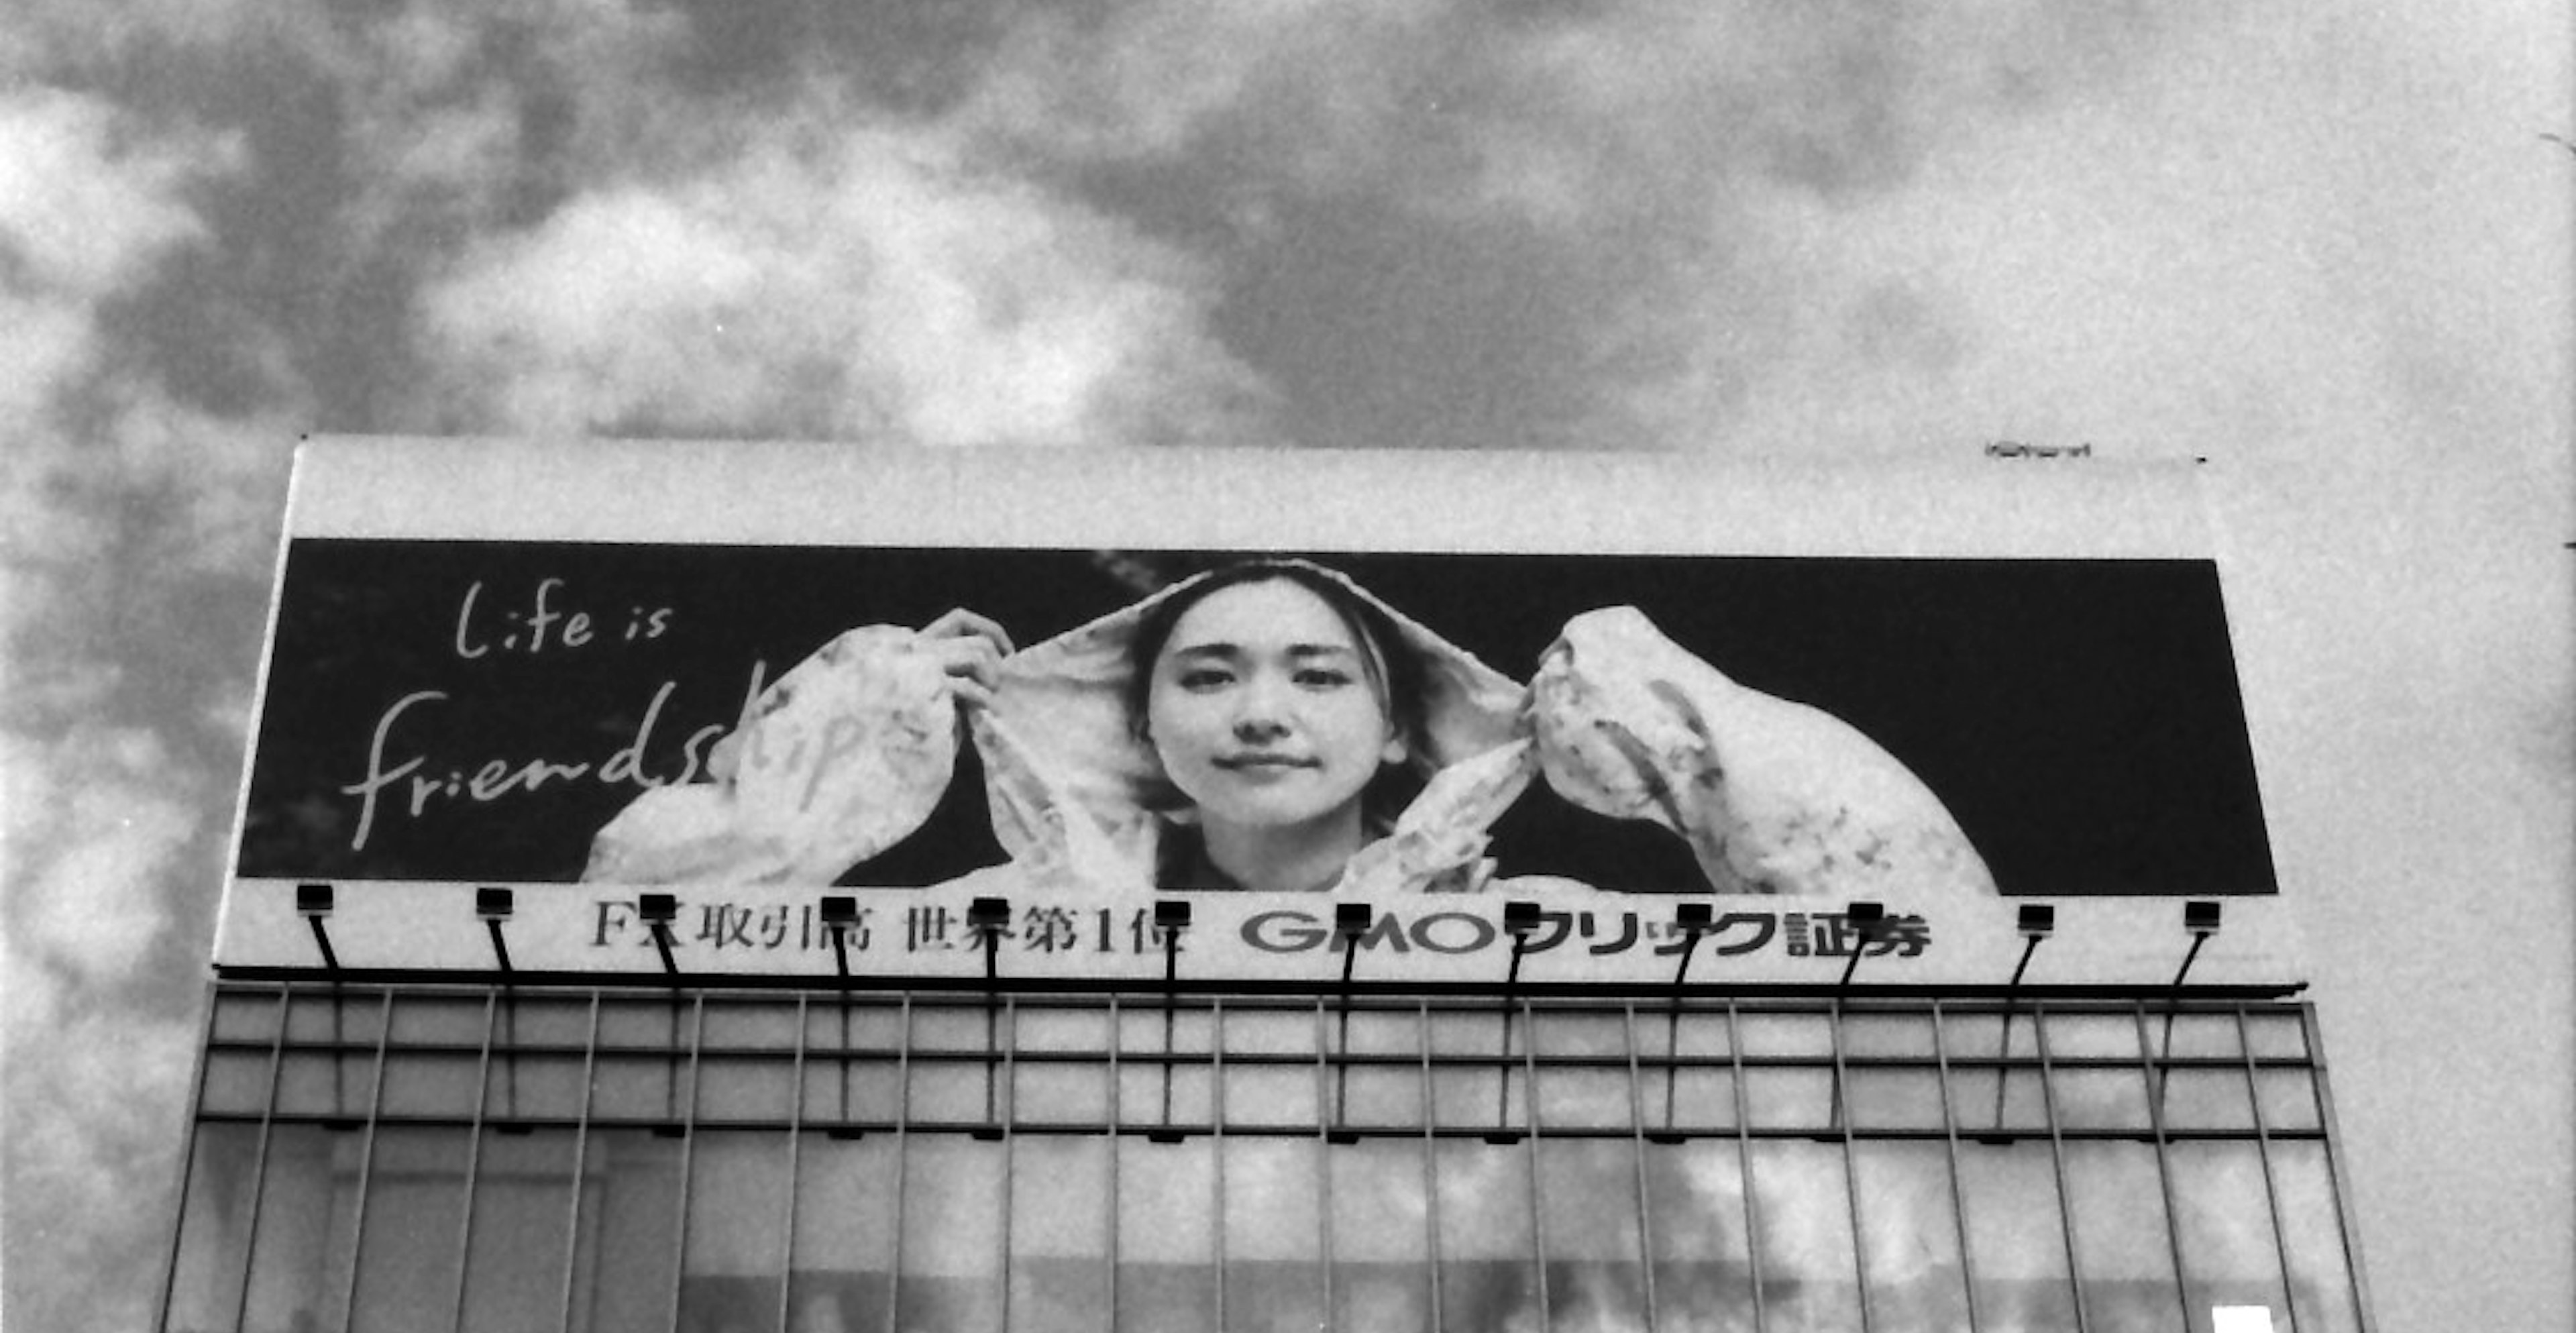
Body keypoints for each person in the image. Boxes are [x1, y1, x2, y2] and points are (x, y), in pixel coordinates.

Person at [585, 554, 1998, 909]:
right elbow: (616, 936)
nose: (1260, 710)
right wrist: (849, 734)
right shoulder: (1005, 923)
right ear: (1143, 726)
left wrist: (1662, 703)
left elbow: (1938, 935)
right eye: (1207, 677)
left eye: (1319, 675)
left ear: (1398, 733)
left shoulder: (1530, 933)